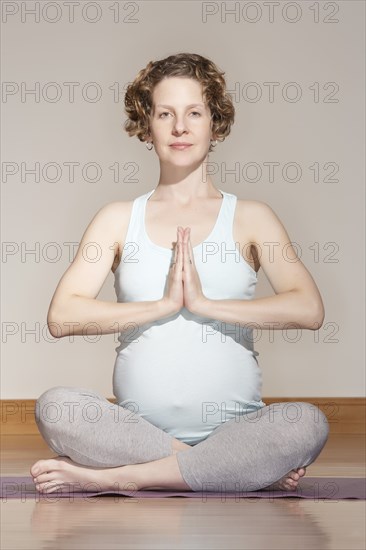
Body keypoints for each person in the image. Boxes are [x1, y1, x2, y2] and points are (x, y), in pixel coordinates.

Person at [30, 53, 329, 494]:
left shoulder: (251, 217)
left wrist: (205, 305)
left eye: (194, 113)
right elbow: (62, 316)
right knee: (55, 407)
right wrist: (163, 306)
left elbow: (309, 308)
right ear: (146, 125)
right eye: (164, 114)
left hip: (236, 430)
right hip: (137, 434)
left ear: (216, 122)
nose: (180, 127)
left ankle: (115, 479)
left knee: (306, 422)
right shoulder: (117, 218)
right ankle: (224, 470)